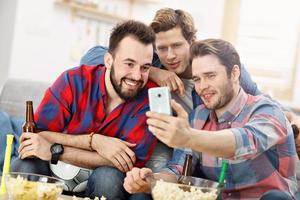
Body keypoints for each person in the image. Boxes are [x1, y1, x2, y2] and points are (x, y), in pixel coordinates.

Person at [123, 39, 298, 199]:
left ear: (235, 73)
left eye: (211, 76)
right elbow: (178, 170)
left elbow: (244, 141)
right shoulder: (198, 117)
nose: (202, 86)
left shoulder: (267, 110)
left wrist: (189, 137)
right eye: (197, 79)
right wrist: (150, 181)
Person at [11, 20, 158, 200]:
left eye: (145, 67)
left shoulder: (150, 101)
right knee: (24, 165)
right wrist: (94, 142)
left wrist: (55, 149)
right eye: (129, 64)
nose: (137, 76)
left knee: (108, 178)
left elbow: (128, 162)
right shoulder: (74, 81)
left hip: (103, 178)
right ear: (109, 61)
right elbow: (37, 135)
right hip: (51, 168)